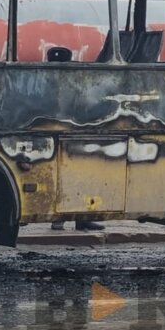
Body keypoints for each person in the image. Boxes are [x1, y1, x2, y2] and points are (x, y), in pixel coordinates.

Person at [44, 46, 105, 231]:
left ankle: (82, 218)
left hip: (73, 136)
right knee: (58, 179)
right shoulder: (45, 85)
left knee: (80, 177)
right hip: (56, 138)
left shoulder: (75, 87)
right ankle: (59, 218)